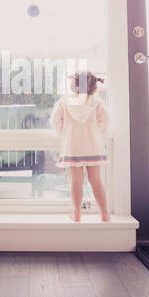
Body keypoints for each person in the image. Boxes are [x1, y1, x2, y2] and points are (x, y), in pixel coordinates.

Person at [50, 71, 110, 222]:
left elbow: (55, 122)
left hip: (72, 147)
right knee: (96, 180)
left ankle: (76, 213)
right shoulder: (97, 103)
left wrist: (65, 133)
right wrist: (95, 131)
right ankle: (104, 213)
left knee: (76, 181)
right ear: (93, 86)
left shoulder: (63, 103)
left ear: (73, 86)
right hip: (93, 146)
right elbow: (105, 122)